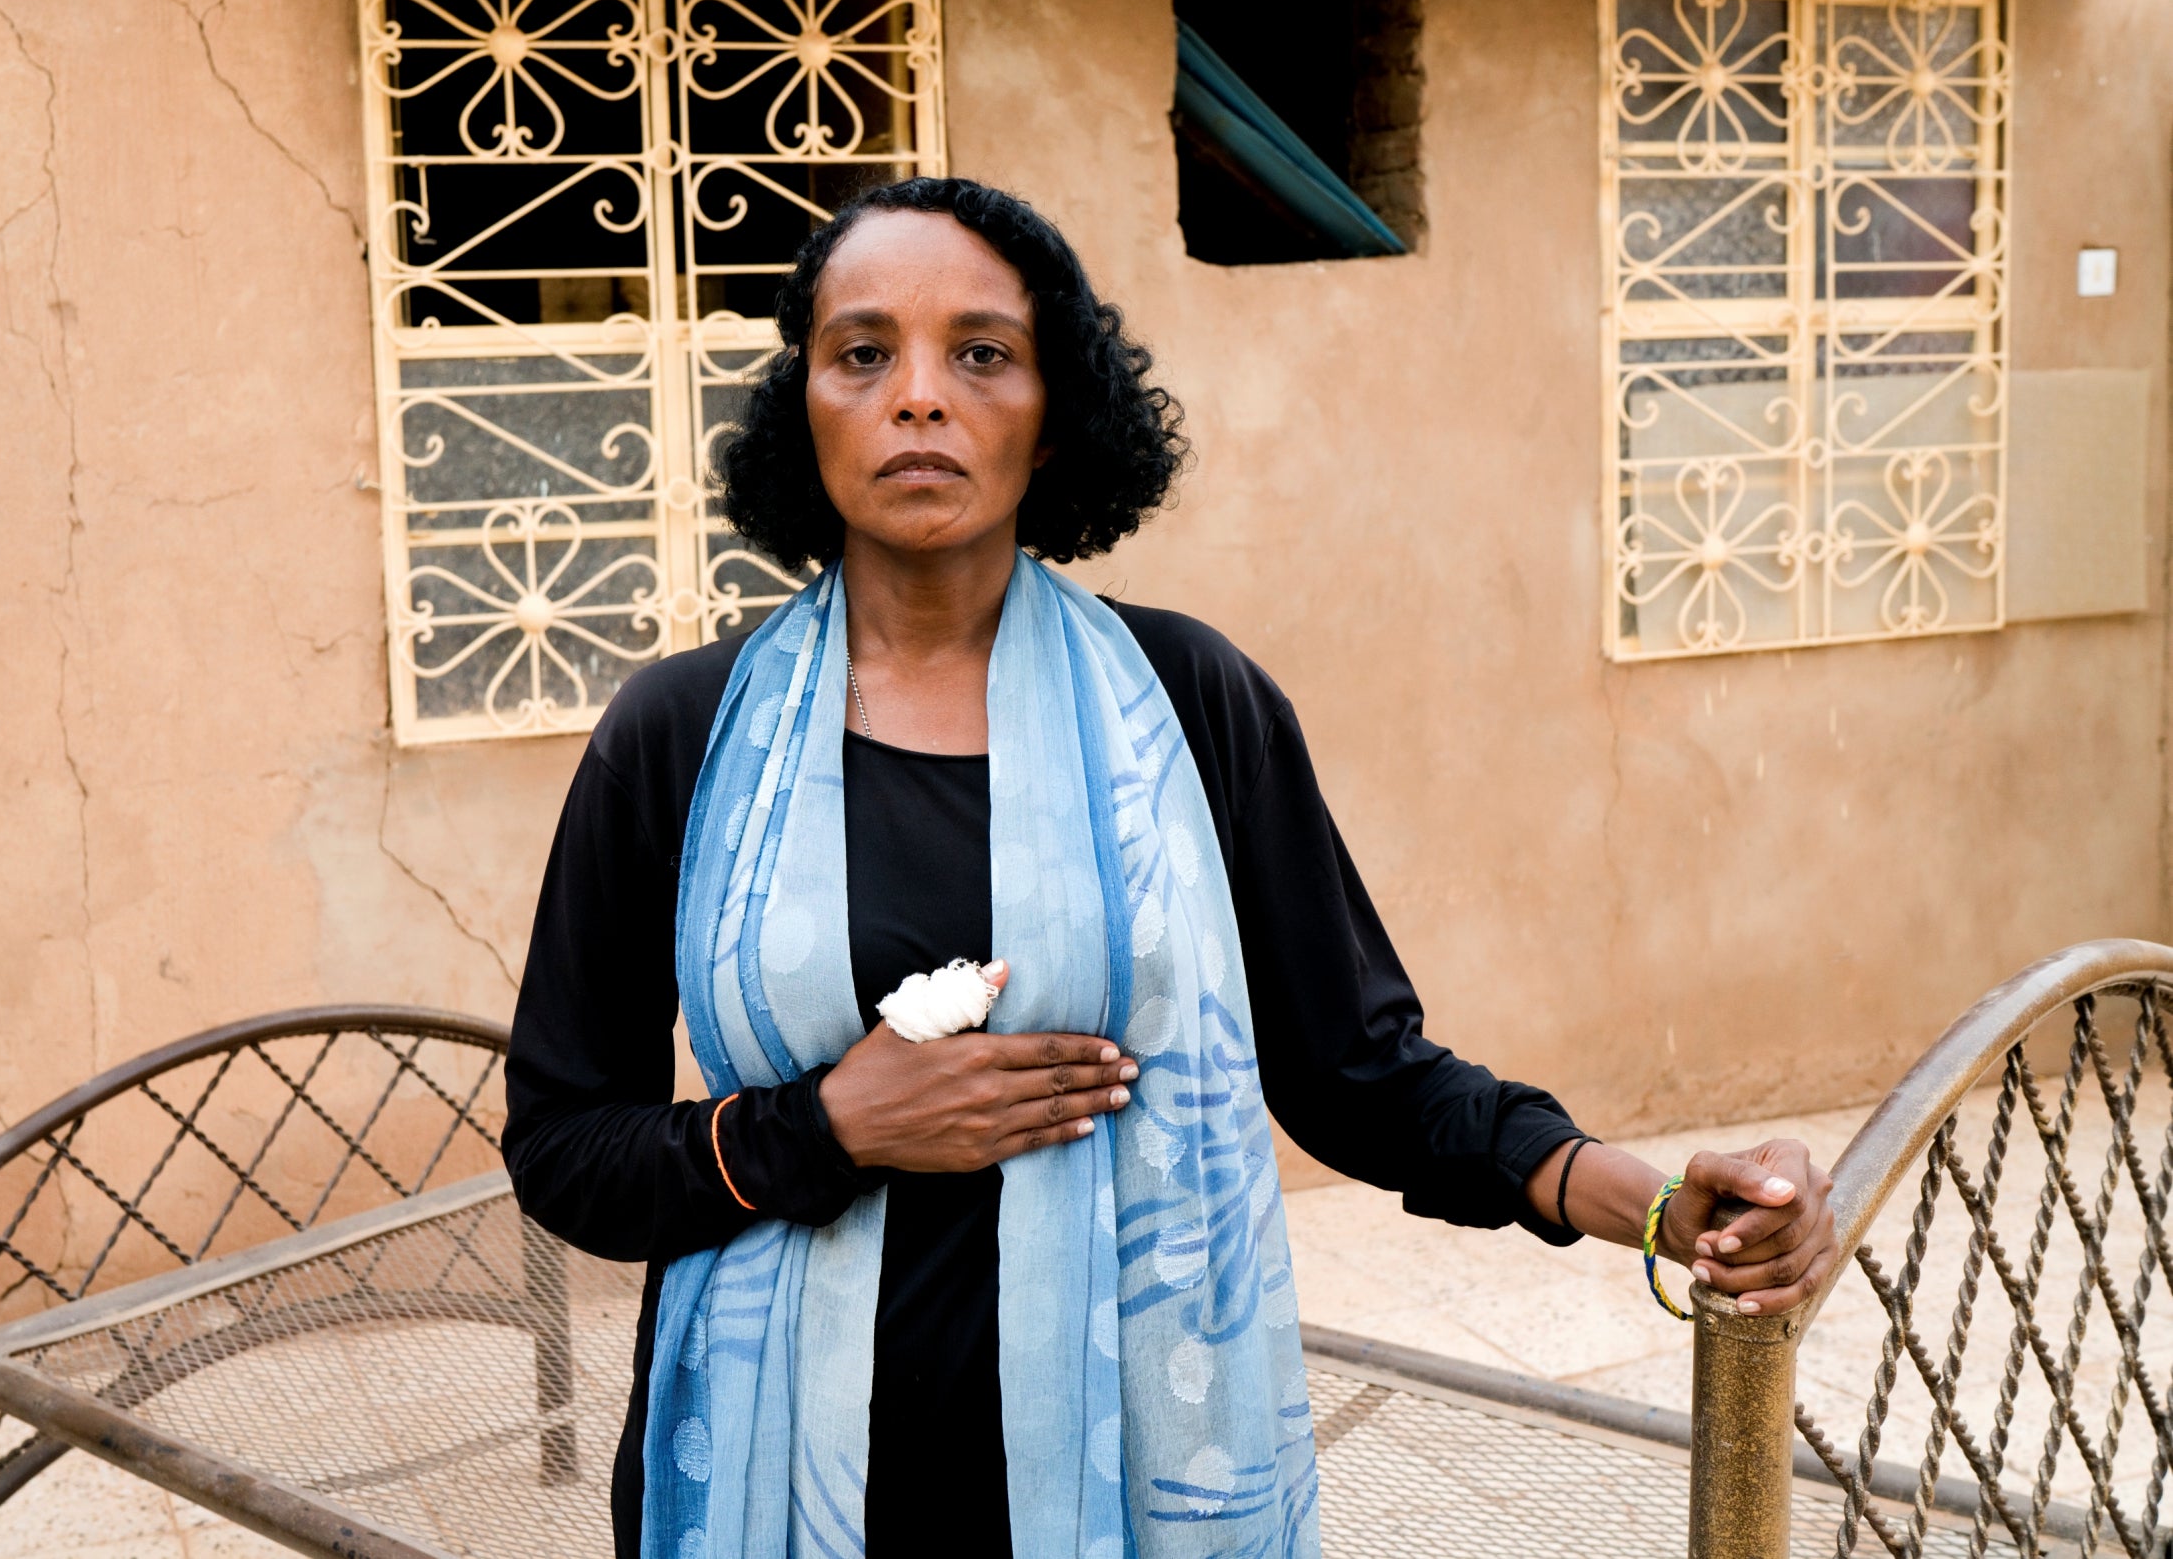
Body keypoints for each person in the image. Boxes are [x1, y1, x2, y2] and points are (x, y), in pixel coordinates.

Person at [502, 176, 1835, 1559]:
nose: (917, 396)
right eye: (862, 353)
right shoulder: (683, 736)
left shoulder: (1189, 703)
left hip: (1138, 1486)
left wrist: (1662, 1206)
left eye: (980, 352)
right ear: (806, 410)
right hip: (776, 1490)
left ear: (1057, 409)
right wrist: (824, 1129)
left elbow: (1359, 1072)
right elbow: (564, 1152)